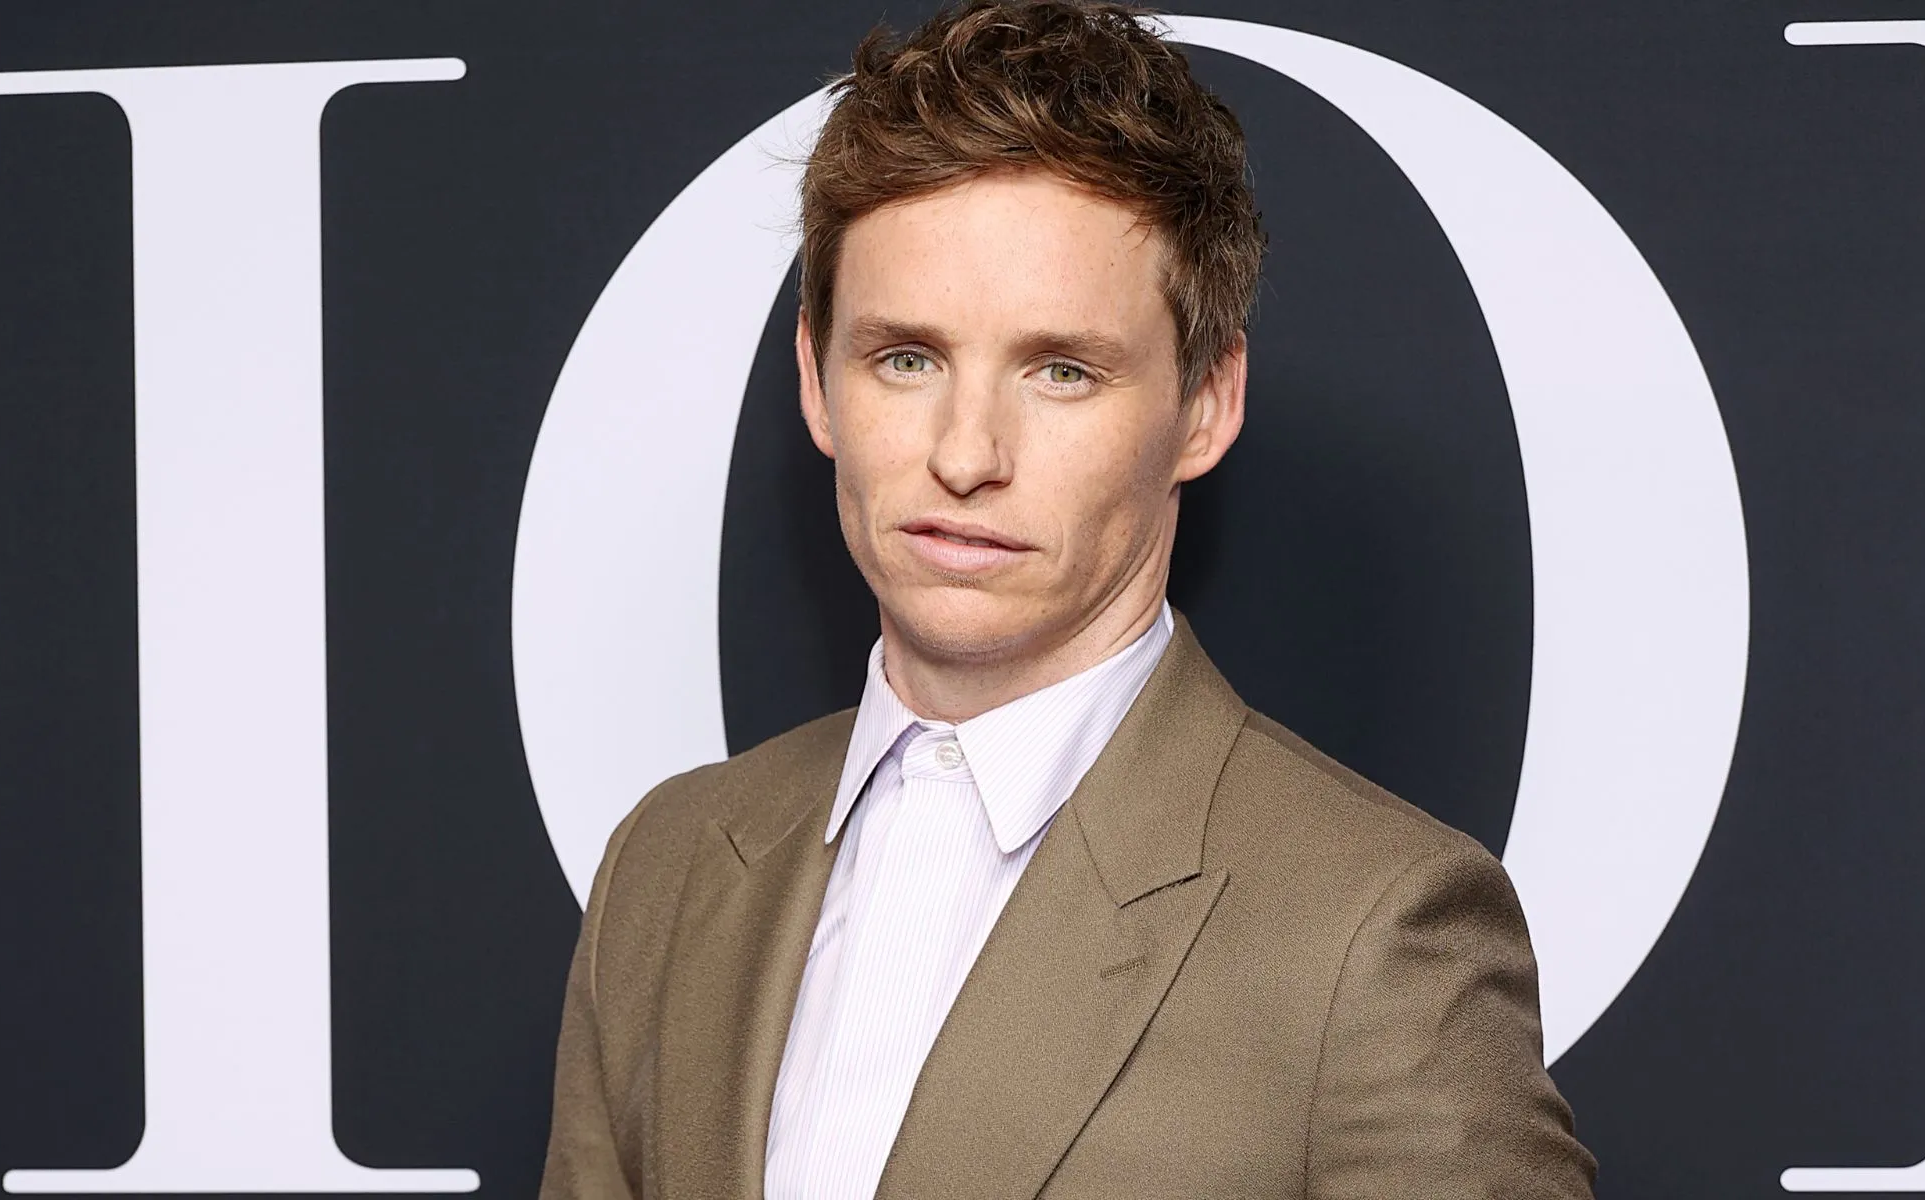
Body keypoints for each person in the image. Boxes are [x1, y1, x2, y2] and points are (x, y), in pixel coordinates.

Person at [540, 2, 1597, 1196]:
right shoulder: (667, 867)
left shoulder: (1376, 933)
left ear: (1205, 404)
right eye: (906, 358)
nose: (966, 453)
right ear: (815, 379)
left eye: (1061, 370)